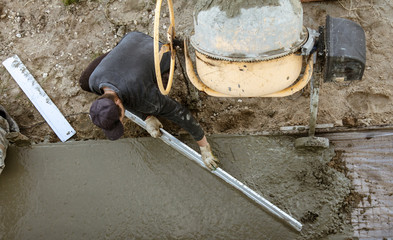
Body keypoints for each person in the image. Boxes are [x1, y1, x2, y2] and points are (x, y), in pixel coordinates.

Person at [79, 31, 219, 170]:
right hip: (132, 38)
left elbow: (180, 113)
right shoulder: (94, 80)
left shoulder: (144, 98)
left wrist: (204, 146)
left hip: (159, 52)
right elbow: (121, 98)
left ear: (117, 102)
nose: (121, 121)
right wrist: (147, 118)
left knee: (150, 101)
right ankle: (120, 54)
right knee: (83, 82)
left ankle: (167, 60)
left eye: (119, 119)